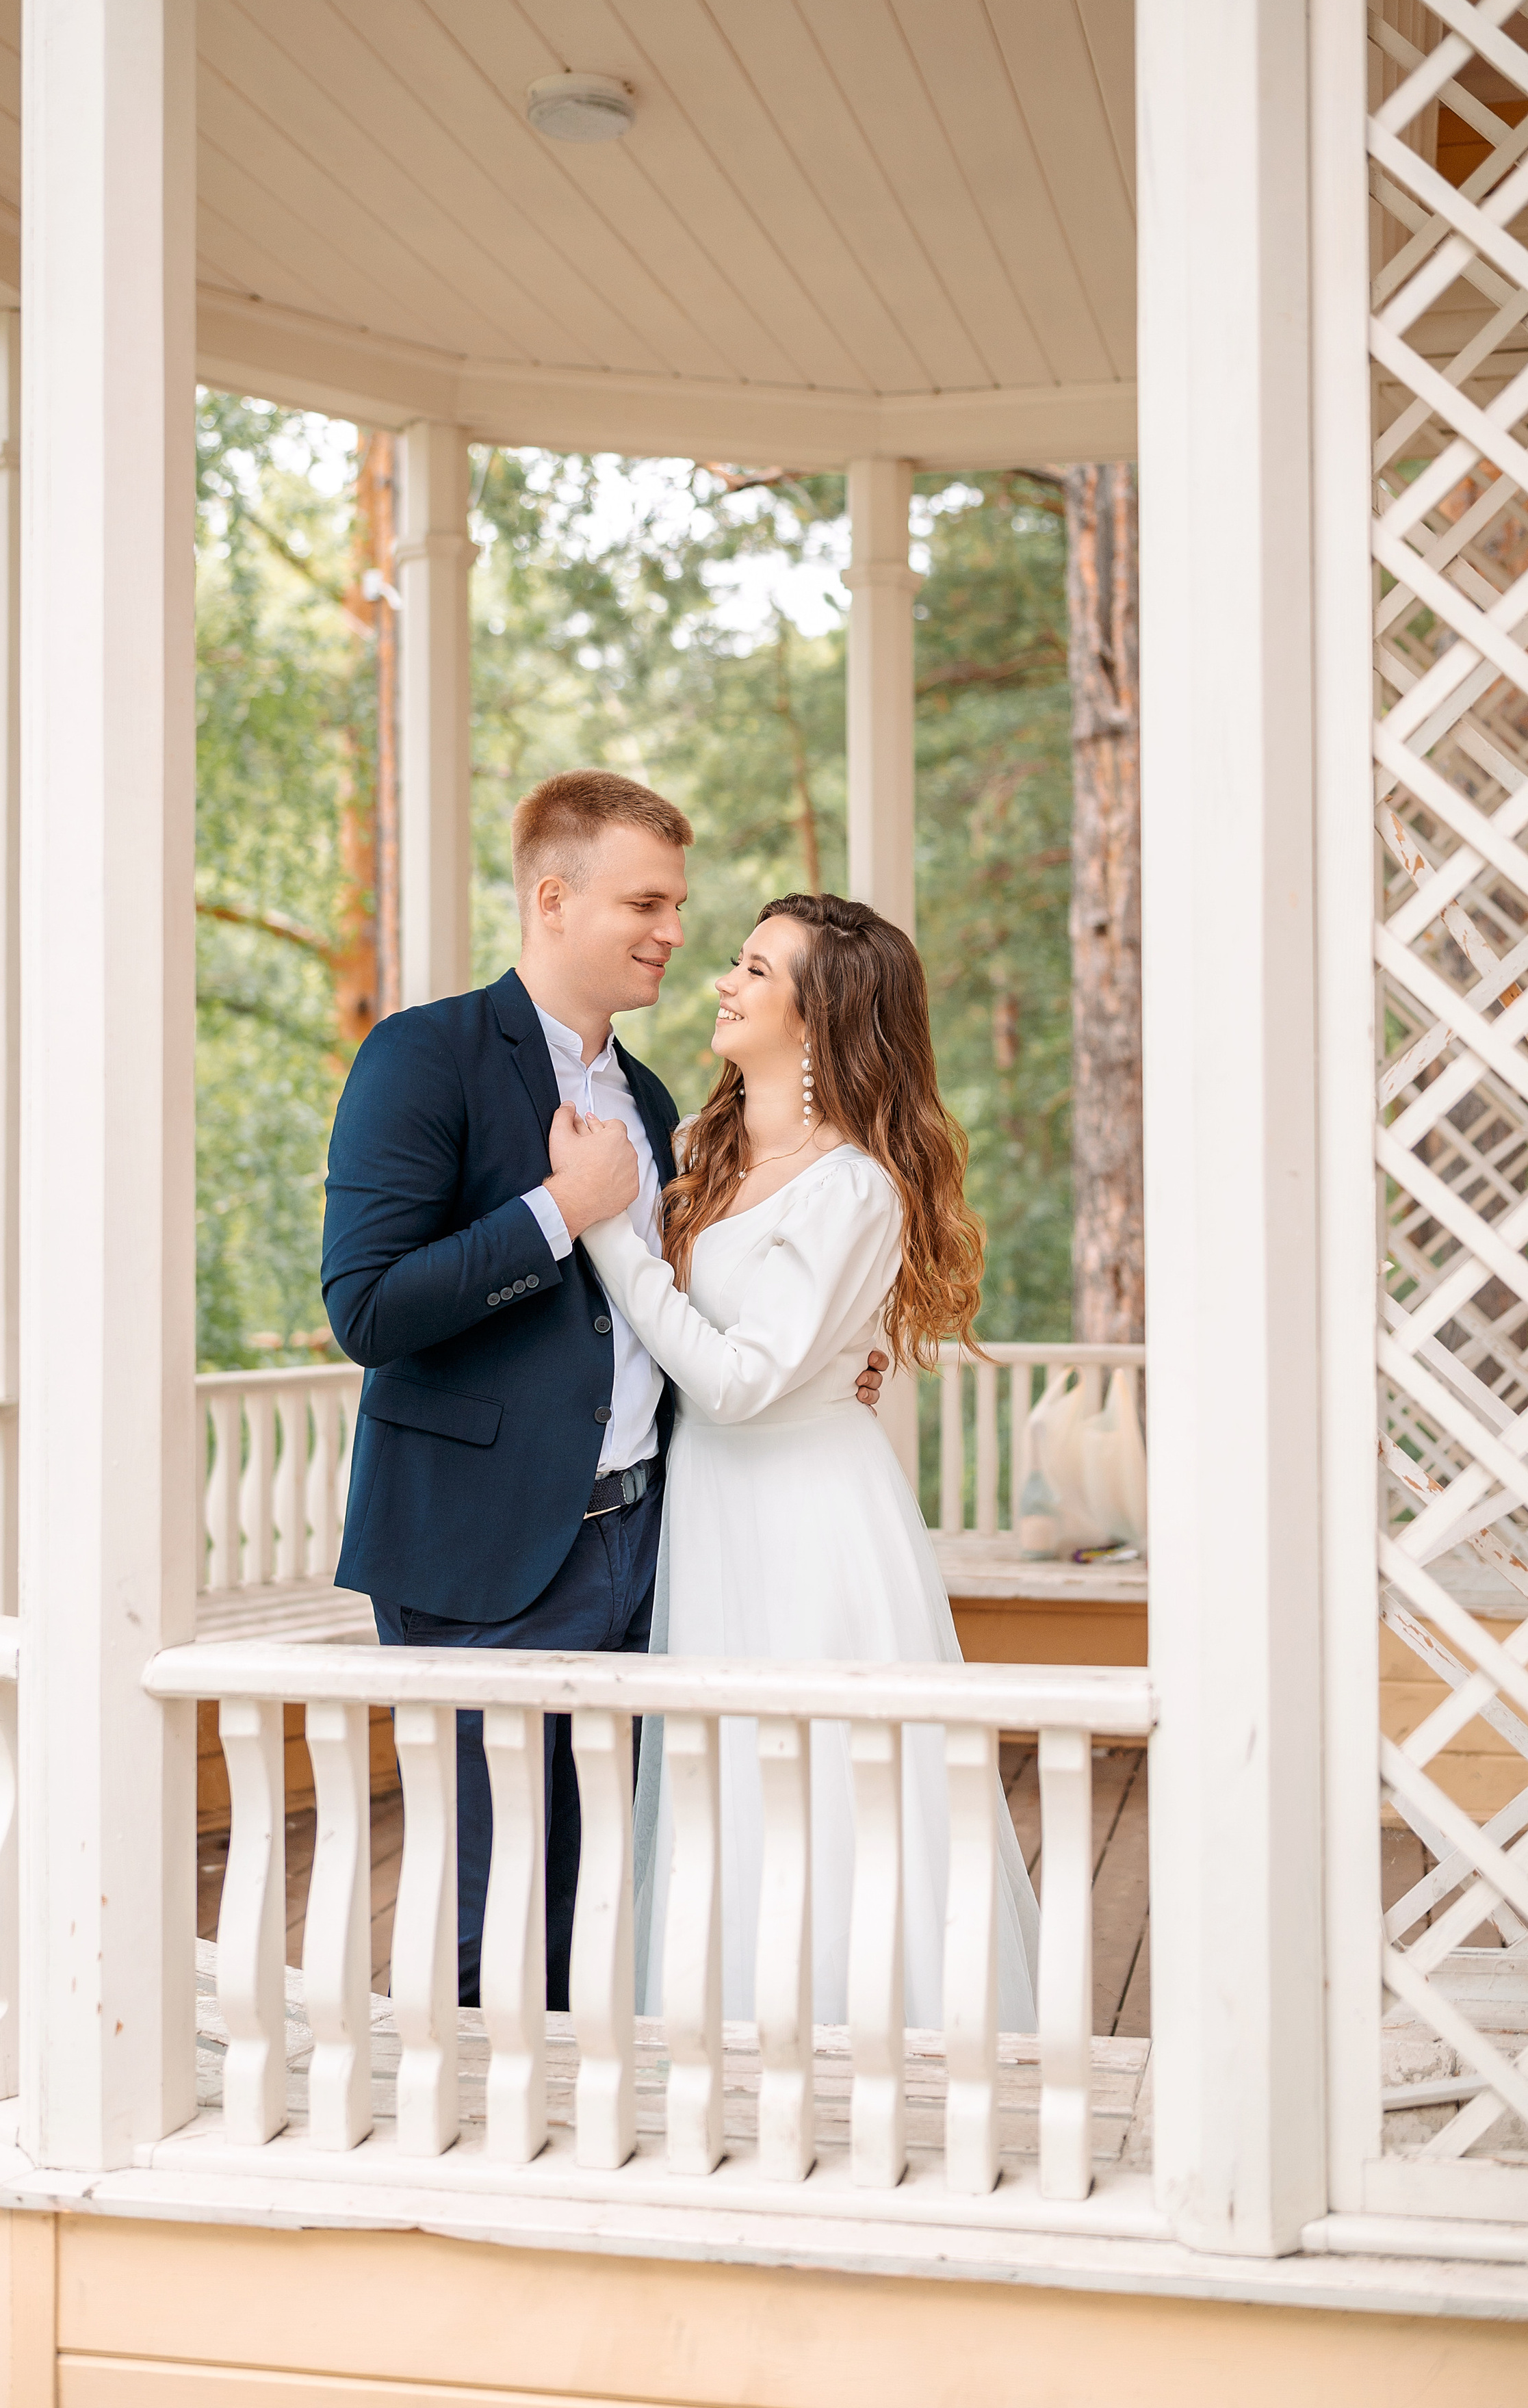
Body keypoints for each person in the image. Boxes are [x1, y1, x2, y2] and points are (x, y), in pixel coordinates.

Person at [321, 777, 885, 2008]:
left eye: (679, 904)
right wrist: (553, 1216)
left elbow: (710, 1303)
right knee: (488, 1897)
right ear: (553, 898)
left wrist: (842, 1356)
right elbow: (366, 1310)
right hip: (484, 1551)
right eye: (646, 901)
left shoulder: (662, 1101)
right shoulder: (426, 1056)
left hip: (650, 1544)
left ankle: (582, 2154)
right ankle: (467, 2159)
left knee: (606, 1894)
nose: (674, 932)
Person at [558, 892, 1040, 2028]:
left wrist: (605, 1237)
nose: (723, 981)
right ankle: (722, 2043)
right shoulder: (695, 1150)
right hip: (715, 1507)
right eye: (737, 961)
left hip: (811, 1522)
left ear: (822, 1019)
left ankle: (860, 2048)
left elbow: (736, 1378)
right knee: (723, 1789)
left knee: (823, 1788)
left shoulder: (855, 1185)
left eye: (757, 970)